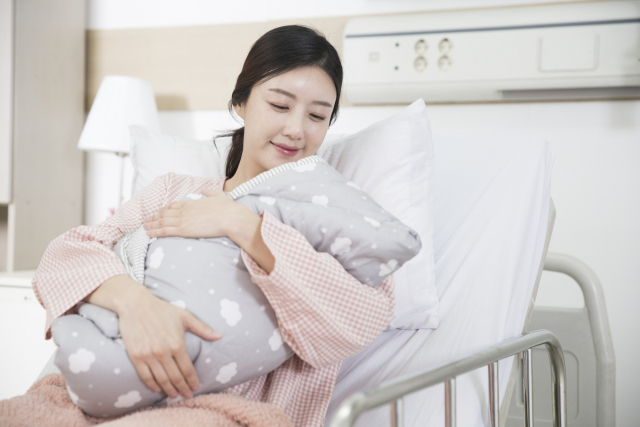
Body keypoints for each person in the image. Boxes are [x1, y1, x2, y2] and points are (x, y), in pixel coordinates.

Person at [32, 25, 395, 427]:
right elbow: (67, 252)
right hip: (105, 388)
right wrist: (137, 306)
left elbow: (362, 315)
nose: (296, 129)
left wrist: (243, 226)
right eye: (280, 105)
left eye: (316, 116)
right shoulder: (173, 190)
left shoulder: (328, 220)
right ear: (241, 102)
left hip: (226, 412)